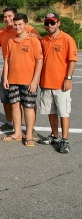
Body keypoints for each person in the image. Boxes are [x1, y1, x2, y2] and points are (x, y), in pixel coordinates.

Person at [0, 7, 41, 131]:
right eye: (5, 17)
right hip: (8, 73)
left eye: (10, 16)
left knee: (28, 103)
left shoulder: (26, 29)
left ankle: (31, 128)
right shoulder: (2, 33)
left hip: (26, 74)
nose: (7, 19)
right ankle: (10, 123)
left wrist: (35, 36)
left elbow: (40, 43)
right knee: (7, 100)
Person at [39, 13, 78, 154]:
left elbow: (72, 60)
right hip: (46, 83)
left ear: (58, 23)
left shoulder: (67, 39)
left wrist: (68, 78)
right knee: (51, 112)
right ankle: (55, 136)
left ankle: (65, 140)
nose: (49, 25)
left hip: (61, 84)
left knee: (63, 112)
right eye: (47, 23)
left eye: (52, 23)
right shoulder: (44, 41)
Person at [1, 14, 43, 147]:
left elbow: (39, 61)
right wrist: (6, 78)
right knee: (14, 105)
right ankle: (17, 133)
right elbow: (7, 60)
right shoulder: (11, 40)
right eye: (16, 24)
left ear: (26, 25)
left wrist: (35, 81)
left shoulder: (33, 41)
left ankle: (29, 134)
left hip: (28, 81)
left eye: (20, 24)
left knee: (28, 107)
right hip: (13, 80)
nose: (18, 27)